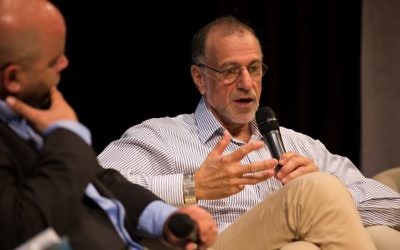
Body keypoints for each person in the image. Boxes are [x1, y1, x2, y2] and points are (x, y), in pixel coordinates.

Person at [98, 16, 400, 249]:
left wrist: (333, 193)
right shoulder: (161, 136)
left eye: (254, 69)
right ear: (200, 78)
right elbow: (93, 190)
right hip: (216, 244)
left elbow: (393, 208)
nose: (246, 83)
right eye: (230, 70)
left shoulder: (295, 144)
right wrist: (192, 186)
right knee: (316, 192)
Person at [0, 1, 217, 250]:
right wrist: (68, 136)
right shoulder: (59, 129)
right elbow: (23, 228)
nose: (65, 64)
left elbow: (97, 180)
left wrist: (164, 218)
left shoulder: (33, 106)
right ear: (13, 78)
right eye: (53, 61)